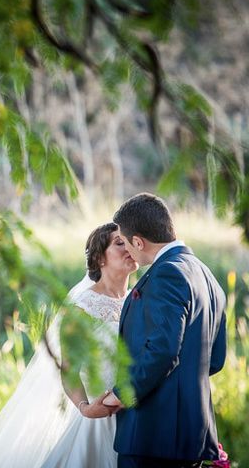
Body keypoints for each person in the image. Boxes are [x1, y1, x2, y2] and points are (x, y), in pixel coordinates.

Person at [0, 222, 138, 467]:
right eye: (119, 243)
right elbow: (68, 368)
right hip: (98, 421)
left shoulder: (137, 299)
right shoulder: (81, 308)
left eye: (129, 241)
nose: (129, 247)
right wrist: (85, 407)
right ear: (100, 258)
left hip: (135, 420)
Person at [102, 193, 227, 468]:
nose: (127, 251)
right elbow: (215, 359)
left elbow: (163, 350)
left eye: (125, 242)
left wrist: (122, 393)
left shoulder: (167, 274)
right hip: (190, 436)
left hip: (153, 437)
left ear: (138, 241)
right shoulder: (207, 276)